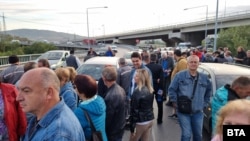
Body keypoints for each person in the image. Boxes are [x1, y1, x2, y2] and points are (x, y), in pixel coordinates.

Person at [16, 68, 85, 141]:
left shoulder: (58, 133)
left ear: (49, 93)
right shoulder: (43, 118)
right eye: (19, 90)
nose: (18, 98)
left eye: (26, 91)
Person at [168, 55, 212, 141]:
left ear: (198, 64)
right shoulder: (179, 76)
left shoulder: (204, 78)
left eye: (195, 62)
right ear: (187, 63)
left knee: (198, 136)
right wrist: (176, 103)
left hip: (198, 112)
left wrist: (204, 104)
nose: (193, 64)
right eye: (191, 62)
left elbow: (208, 92)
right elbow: (171, 89)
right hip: (183, 112)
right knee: (186, 135)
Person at [74, 74, 108, 141]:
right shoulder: (100, 100)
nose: (75, 90)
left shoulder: (80, 112)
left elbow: (75, 134)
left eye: (76, 87)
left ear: (82, 92)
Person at [129, 69, 155, 141]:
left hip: (140, 122)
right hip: (149, 120)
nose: (134, 78)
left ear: (141, 78)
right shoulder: (150, 89)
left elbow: (134, 111)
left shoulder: (137, 92)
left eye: (136, 76)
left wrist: (132, 127)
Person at [102, 66, 126, 141]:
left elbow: (108, 118)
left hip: (113, 133)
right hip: (119, 128)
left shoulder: (111, 96)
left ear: (104, 78)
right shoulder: (120, 89)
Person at [167, 49, 187, 118]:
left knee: (179, 100)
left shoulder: (182, 62)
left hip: (179, 85)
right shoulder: (179, 61)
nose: (173, 57)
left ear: (175, 55)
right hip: (176, 85)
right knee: (175, 100)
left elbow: (182, 74)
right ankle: (175, 113)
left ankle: (179, 115)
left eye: (173, 55)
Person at [146, 53, 164, 124]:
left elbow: (145, 79)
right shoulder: (159, 67)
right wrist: (162, 90)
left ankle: (149, 119)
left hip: (148, 88)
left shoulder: (146, 67)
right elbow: (162, 80)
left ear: (149, 58)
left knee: (149, 105)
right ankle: (159, 120)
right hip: (158, 88)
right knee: (160, 105)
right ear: (156, 59)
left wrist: (152, 80)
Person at [117, 58, 132, 122]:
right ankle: (130, 117)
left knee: (125, 106)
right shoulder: (131, 69)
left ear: (119, 63)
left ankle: (126, 119)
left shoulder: (119, 71)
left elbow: (117, 83)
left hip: (124, 91)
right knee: (130, 105)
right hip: (131, 90)